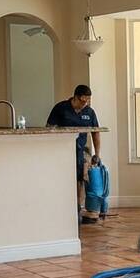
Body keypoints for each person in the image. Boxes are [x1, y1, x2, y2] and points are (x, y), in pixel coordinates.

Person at [46, 84, 103, 224]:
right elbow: (49, 129)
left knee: (79, 181)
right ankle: (59, 208)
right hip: (60, 151)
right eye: (83, 101)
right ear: (75, 97)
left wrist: (97, 153)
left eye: (88, 101)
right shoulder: (61, 108)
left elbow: (95, 132)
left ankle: (77, 209)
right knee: (61, 180)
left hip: (79, 150)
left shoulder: (89, 112)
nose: (85, 104)